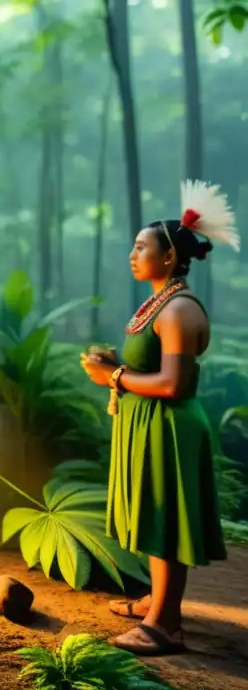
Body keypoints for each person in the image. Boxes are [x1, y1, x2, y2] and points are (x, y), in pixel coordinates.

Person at [80, 181, 238, 656]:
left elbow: (174, 384)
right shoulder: (161, 302)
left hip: (169, 428)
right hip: (148, 424)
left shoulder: (179, 310)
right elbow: (152, 367)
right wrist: (118, 366)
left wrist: (114, 375)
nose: (133, 253)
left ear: (168, 257)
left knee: (165, 519)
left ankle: (165, 625)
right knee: (154, 513)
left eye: (141, 246)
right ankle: (157, 600)